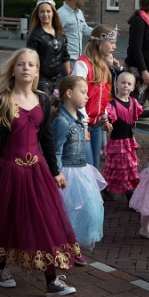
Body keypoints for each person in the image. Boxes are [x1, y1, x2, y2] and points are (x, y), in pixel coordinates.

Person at [0, 48, 81, 297]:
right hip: (8, 170)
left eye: (31, 65)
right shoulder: (2, 100)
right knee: (6, 219)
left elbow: (46, 139)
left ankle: (52, 281)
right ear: (14, 69)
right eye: (21, 64)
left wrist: (55, 170)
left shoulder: (44, 100)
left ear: (37, 71)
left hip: (36, 171)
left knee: (43, 219)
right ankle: (0, 267)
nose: (26, 68)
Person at [51, 75, 106, 260]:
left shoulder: (80, 116)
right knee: (66, 211)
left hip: (82, 169)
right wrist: (57, 172)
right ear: (68, 93)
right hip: (67, 171)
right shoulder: (61, 121)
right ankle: (62, 247)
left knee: (87, 211)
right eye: (83, 92)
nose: (87, 96)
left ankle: (73, 245)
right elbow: (56, 150)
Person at [72, 24, 117, 169]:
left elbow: (101, 97)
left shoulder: (102, 65)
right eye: (111, 42)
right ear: (99, 42)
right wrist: (84, 124)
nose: (114, 47)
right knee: (88, 167)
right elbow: (76, 98)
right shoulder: (82, 64)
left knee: (95, 167)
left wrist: (104, 117)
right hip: (82, 124)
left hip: (96, 124)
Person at [102, 71, 149, 197]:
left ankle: (122, 192)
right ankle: (114, 191)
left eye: (129, 84)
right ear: (117, 84)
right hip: (117, 142)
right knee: (117, 168)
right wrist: (107, 122)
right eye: (123, 83)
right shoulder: (112, 104)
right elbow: (109, 120)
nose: (126, 86)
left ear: (133, 87)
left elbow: (140, 114)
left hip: (128, 142)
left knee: (128, 167)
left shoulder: (133, 103)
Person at [26, 0, 70, 96]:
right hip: (41, 80)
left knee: (60, 108)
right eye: (42, 11)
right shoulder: (34, 35)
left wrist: (69, 77)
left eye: (48, 11)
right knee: (47, 107)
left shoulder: (60, 34)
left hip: (59, 79)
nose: (45, 14)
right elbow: (30, 60)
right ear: (37, 14)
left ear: (53, 13)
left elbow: (65, 57)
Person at [57, 0, 93, 69]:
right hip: (67, 60)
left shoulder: (79, 12)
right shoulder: (61, 14)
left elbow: (85, 29)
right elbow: (55, 36)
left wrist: (102, 31)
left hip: (79, 58)